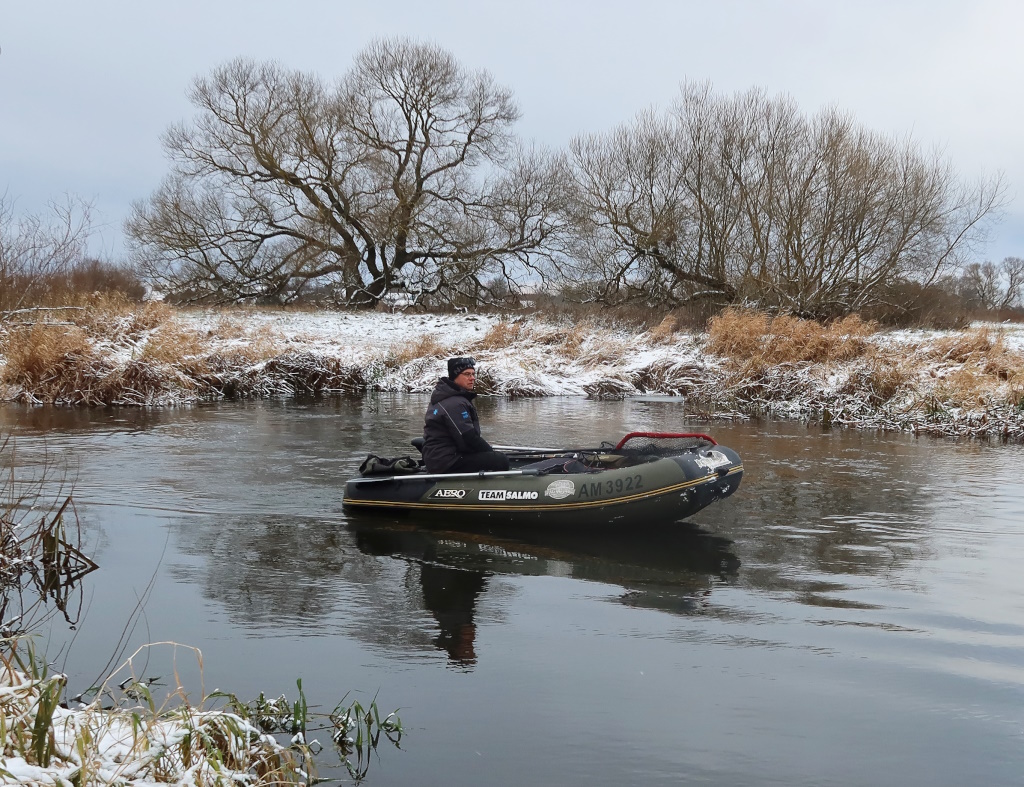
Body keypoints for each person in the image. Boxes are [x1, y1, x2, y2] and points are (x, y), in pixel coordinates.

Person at [422, 357, 510, 474]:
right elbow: (468, 438)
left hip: (441, 457)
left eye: (473, 374)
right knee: (500, 460)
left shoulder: (447, 397)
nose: (472, 378)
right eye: (467, 374)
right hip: (446, 461)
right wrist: (490, 453)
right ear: (455, 376)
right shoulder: (454, 403)